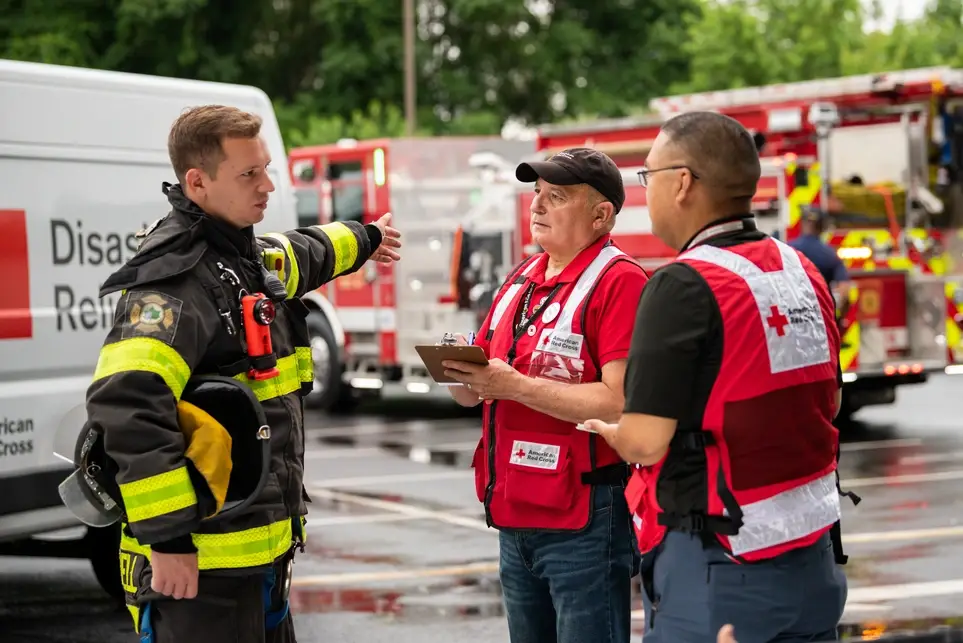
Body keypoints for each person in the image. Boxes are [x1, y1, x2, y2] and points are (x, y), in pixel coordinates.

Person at [83, 105, 401, 642]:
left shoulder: (245, 257)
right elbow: (128, 405)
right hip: (202, 578)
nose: (267, 186)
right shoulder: (172, 286)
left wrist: (366, 237)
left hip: (260, 564)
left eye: (266, 169)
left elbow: (307, 251)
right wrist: (169, 541)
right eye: (249, 174)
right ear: (198, 182)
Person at [584, 112, 858, 643]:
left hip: (719, 563)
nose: (647, 190)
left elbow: (645, 439)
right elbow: (831, 401)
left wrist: (613, 432)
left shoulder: (681, 285)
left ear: (683, 182)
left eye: (649, 175)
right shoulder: (800, 269)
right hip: (814, 554)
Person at [441, 148, 649, 643]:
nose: (536, 205)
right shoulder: (521, 279)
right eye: (537, 193)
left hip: (583, 520)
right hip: (514, 515)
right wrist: (456, 373)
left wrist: (515, 386)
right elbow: (475, 395)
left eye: (556, 196)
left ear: (601, 215)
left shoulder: (619, 281)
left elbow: (620, 402)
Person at [789, 208, 852, 311]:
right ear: (822, 227)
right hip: (820, 311)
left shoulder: (787, 250)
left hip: (793, 311)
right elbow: (843, 290)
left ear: (802, 224)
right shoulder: (830, 254)